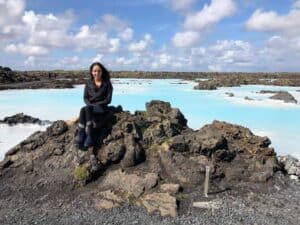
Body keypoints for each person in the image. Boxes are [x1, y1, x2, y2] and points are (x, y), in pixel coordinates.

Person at [74, 62, 113, 148]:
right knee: (84, 109)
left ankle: (87, 135)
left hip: (102, 108)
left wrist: (95, 105)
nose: (97, 73)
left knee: (85, 109)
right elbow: (85, 97)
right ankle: (84, 134)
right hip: (90, 107)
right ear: (91, 72)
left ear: (102, 72)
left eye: (99, 71)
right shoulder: (88, 83)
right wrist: (90, 105)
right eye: (95, 71)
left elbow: (108, 100)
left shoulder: (107, 84)